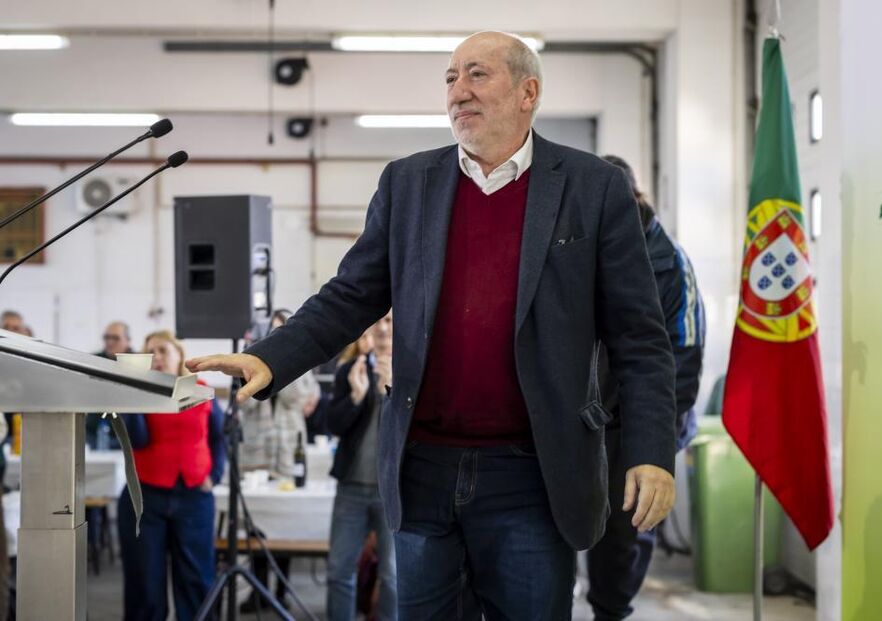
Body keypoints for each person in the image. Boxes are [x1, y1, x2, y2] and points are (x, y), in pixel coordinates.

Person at [187, 31, 677, 619]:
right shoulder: (407, 183)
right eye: (450, 78)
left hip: (534, 475)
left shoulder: (592, 186)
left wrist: (650, 450)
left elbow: (640, 338)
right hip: (423, 469)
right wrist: (272, 357)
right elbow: (351, 294)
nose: (458, 92)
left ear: (529, 92)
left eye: (477, 75)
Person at [586, 155, 706, 621]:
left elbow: (686, 348)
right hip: (591, 413)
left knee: (627, 525)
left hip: (647, 415)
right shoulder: (583, 243)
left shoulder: (668, 260)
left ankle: (611, 611)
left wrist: (656, 436)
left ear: (633, 199)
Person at [117, 330, 226, 621]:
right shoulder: (141, 393)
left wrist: (215, 475)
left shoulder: (203, 391)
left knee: (196, 581)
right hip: (145, 499)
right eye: (150, 352)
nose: (157, 357)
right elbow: (137, 440)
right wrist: (131, 394)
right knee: (146, 585)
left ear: (180, 354)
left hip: (194, 498)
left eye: (164, 350)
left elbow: (219, 438)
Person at [238, 309, 322, 612]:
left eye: (280, 332)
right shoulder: (247, 357)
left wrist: (281, 363)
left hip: (288, 449)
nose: (274, 339)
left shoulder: (303, 361)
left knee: (285, 521)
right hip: (256, 449)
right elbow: (243, 401)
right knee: (258, 523)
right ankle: (257, 589)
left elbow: (296, 399)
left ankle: (281, 590)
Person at [325, 314, 397, 620]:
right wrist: (355, 397)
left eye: (390, 321)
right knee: (339, 570)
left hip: (392, 492)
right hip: (351, 488)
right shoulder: (349, 371)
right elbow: (332, 425)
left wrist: (390, 391)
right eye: (378, 321)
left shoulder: (413, 369)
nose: (382, 328)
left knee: (393, 575)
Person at [88, 321, 135, 449]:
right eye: (107, 337)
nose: (110, 342)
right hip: (96, 429)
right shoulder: (93, 361)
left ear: (128, 340)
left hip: (131, 431)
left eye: (115, 338)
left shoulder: (139, 363)